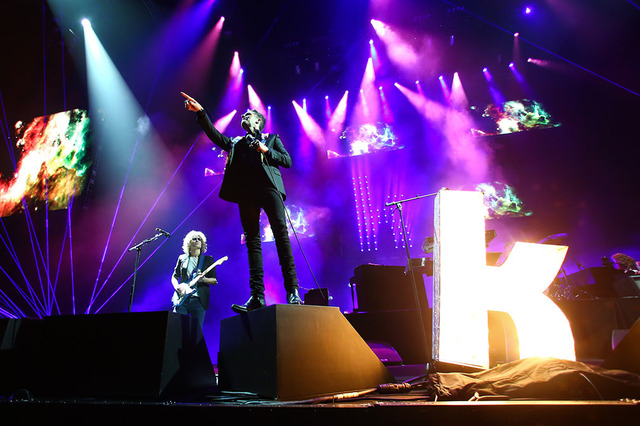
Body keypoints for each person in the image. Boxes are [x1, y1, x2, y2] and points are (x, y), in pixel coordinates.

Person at [181, 92, 302, 313]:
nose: (244, 116)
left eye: (249, 114)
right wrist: (201, 113)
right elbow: (216, 137)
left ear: (258, 122)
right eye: (243, 114)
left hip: (270, 189)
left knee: (281, 237)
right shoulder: (236, 143)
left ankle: (293, 291)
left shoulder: (272, 139)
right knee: (252, 242)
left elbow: (287, 161)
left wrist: (266, 150)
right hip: (247, 193)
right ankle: (257, 296)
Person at [171, 230, 218, 327]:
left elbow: (214, 280)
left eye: (199, 239)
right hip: (182, 299)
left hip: (199, 301)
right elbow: (174, 277)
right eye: (194, 239)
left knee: (196, 331)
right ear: (189, 242)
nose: (197, 240)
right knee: (178, 328)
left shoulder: (208, 259)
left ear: (202, 243)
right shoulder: (182, 258)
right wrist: (177, 287)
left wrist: (203, 279)